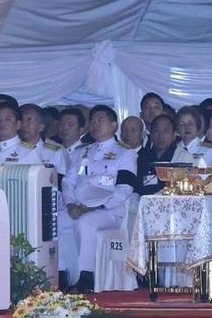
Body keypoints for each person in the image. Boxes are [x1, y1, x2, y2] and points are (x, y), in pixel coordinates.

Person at [58, 106, 137, 293]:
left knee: (86, 222)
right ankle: (62, 273)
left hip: (108, 211)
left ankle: (86, 275)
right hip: (78, 206)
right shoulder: (81, 152)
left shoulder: (125, 153)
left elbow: (125, 188)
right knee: (59, 221)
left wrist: (96, 207)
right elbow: (68, 182)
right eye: (92, 120)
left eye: (100, 120)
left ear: (113, 125)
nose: (95, 124)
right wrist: (70, 204)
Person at [136, 114, 179, 195]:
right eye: (156, 131)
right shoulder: (142, 158)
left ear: (174, 135)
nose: (161, 135)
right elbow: (136, 188)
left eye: (165, 131)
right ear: (151, 135)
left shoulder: (182, 157)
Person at [56, 107, 88, 179]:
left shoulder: (86, 152)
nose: (64, 128)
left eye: (70, 125)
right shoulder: (53, 151)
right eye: (61, 124)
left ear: (81, 130)